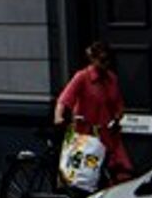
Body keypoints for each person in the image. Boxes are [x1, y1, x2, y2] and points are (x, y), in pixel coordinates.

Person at [53, 39, 132, 182]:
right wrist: (58, 117)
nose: (106, 64)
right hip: (86, 135)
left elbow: (118, 103)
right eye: (102, 60)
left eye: (108, 60)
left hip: (108, 134)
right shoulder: (82, 77)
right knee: (86, 175)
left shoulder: (112, 78)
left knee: (121, 172)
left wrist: (118, 116)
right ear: (93, 59)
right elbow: (64, 99)